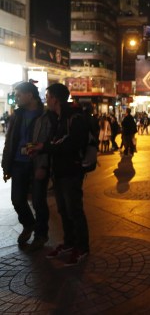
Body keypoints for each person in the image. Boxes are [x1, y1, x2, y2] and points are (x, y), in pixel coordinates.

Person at [28, 83, 90, 266]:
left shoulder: (74, 117)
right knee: (63, 210)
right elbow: (54, 141)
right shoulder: (55, 117)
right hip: (59, 172)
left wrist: (44, 147)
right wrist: (40, 150)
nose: (45, 99)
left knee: (74, 210)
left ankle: (82, 247)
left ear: (55, 98)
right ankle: (70, 243)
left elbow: (71, 144)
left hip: (72, 171)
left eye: (47, 96)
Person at [2, 82, 54, 251]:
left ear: (29, 95)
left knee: (39, 201)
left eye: (18, 95)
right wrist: (6, 165)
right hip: (18, 162)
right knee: (17, 200)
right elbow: (10, 140)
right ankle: (28, 224)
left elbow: (49, 142)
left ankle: (41, 235)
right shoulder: (17, 114)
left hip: (36, 163)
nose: (15, 98)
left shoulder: (45, 115)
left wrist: (44, 166)